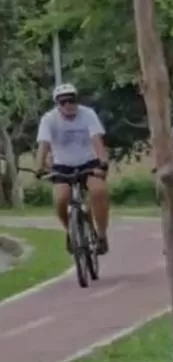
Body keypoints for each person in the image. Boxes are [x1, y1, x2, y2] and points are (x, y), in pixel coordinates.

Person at [36, 83, 111, 255]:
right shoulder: (49, 119)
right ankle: (71, 231)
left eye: (72, 100)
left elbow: (97, 140)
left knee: (99, 191)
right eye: (63, 102)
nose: (68, 105)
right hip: (63, 165)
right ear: (57, 104)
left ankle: (101, 235)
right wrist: (39, 167)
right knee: (61, 199)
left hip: (88, 161)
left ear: (77, 100)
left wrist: (102, 162)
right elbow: (44, 144)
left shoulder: (88, 114)